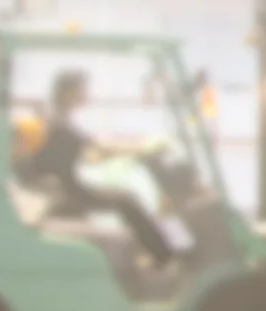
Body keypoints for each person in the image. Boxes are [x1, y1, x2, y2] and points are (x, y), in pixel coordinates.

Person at [17, 70, 175, 266]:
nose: (85, 95)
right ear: (68, 92)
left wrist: (125, 153)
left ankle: (152, 254)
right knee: (125, 200)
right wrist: (141, 149)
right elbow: (97, 148)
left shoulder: (56, 117)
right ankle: (164, 257)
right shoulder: (59, 121)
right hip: (66, 191)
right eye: (81, 90)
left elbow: (87, 154)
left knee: (123, 197)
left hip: (62, 187)